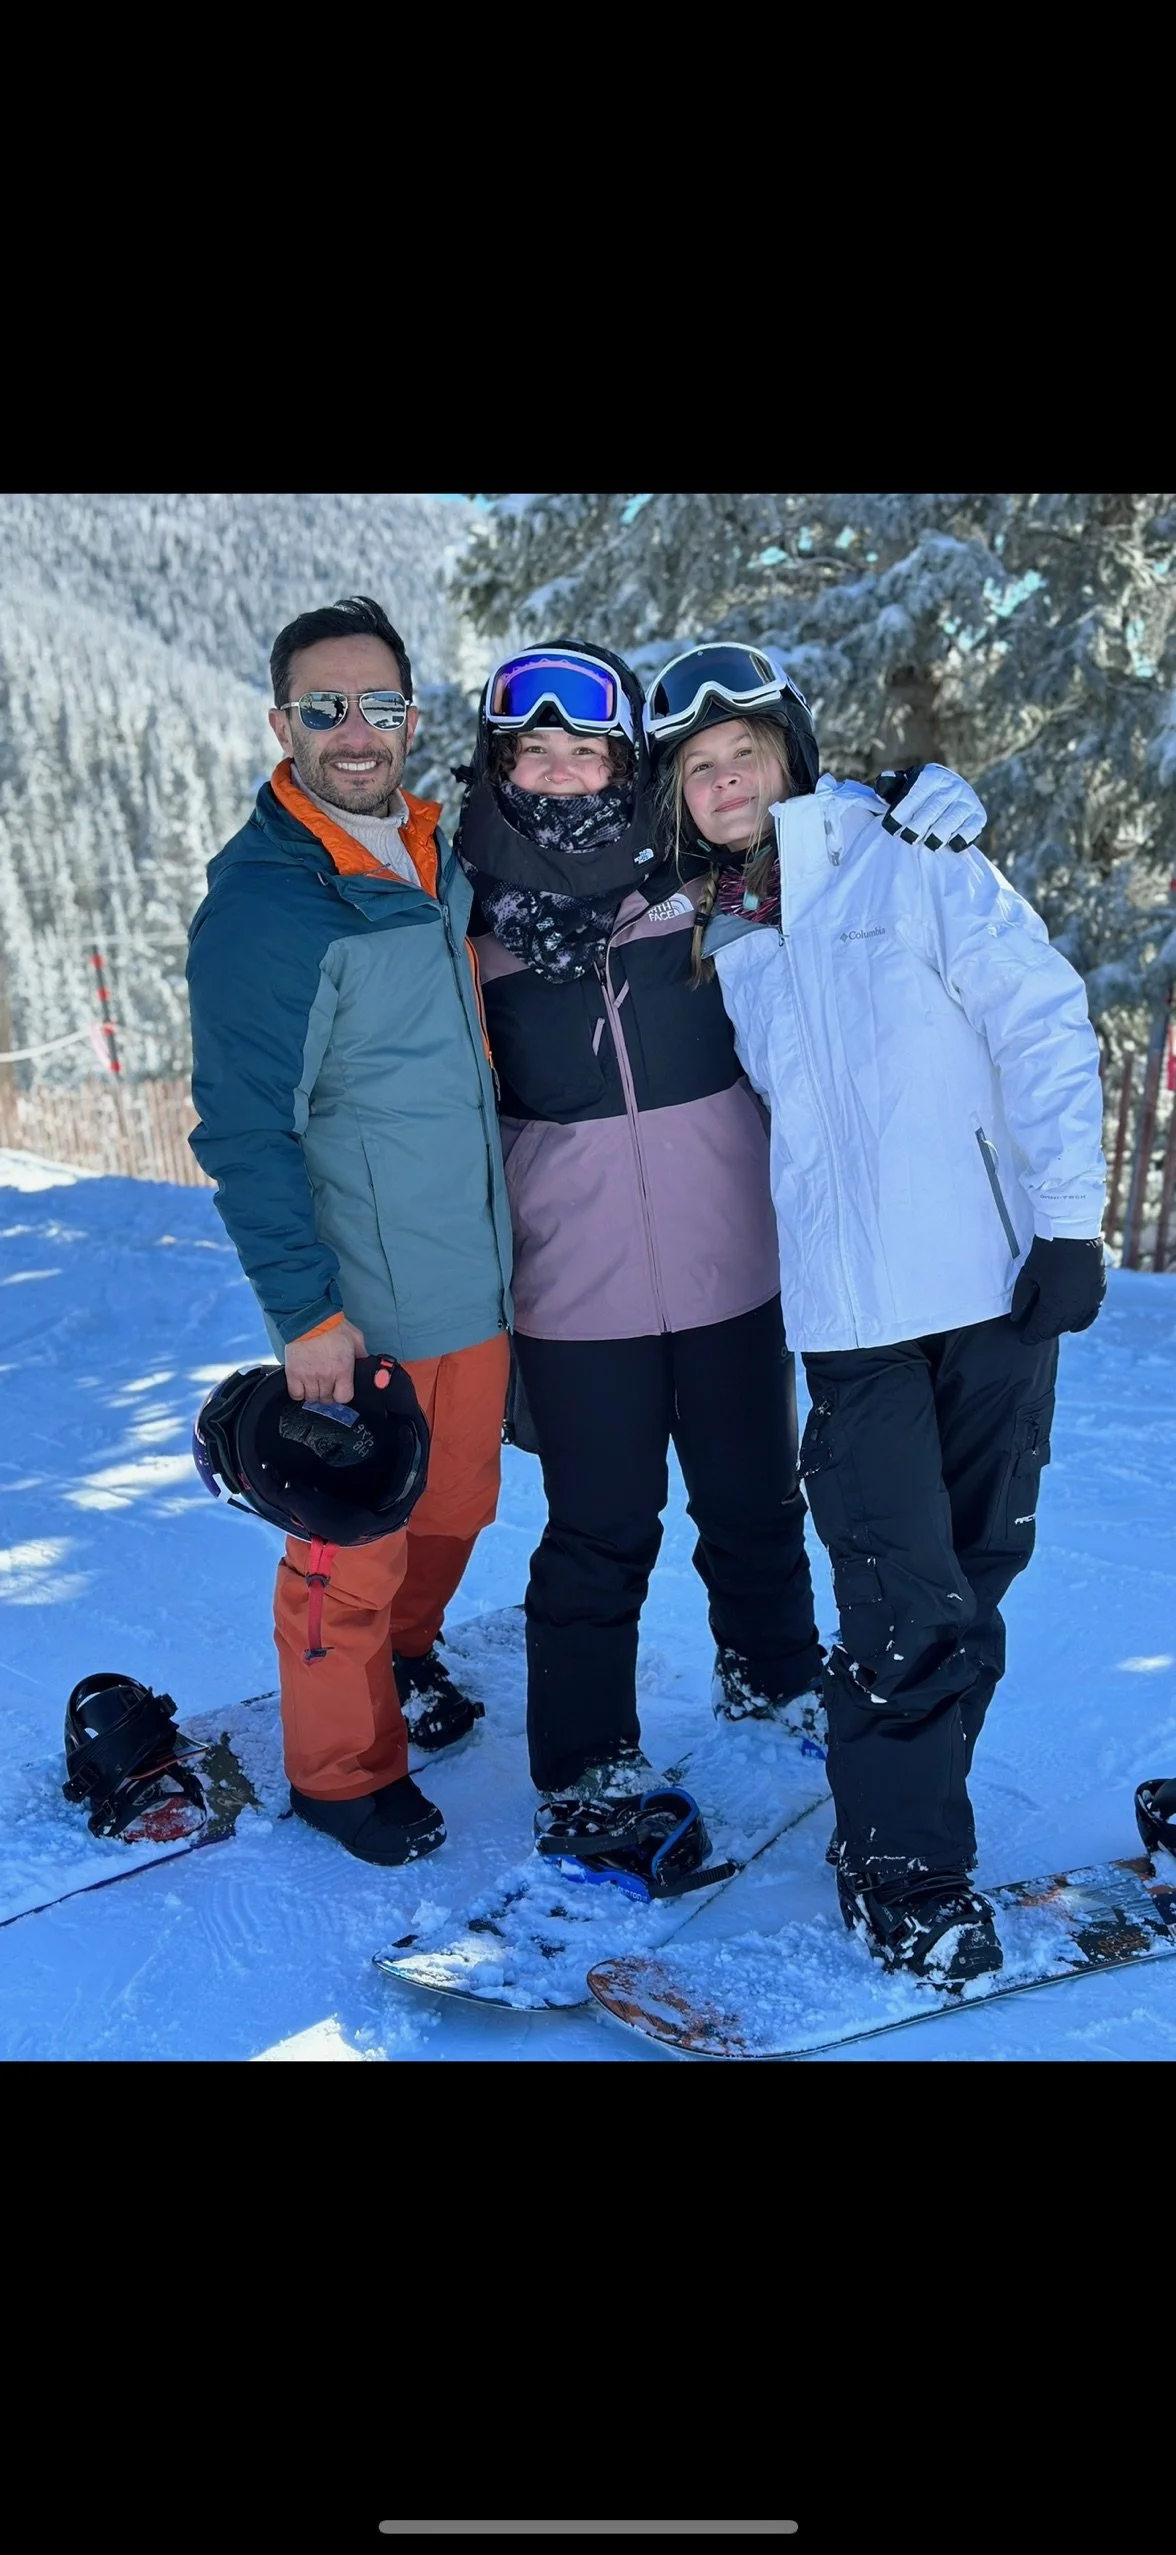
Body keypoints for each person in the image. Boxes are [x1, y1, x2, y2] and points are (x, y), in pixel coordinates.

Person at [644, 640, 1108, 1984]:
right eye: (700, 770)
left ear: (790, 752)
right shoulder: (724, 940)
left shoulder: (915, 853)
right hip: (854, 1325)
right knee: (904, 1601)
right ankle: (905, 1867)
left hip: (994, 1288)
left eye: (746, 755)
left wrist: (1070, 1225)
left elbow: (1044, 1023)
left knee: (973, 1583)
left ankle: (906, 1810)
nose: (727, 783)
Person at [455, 641, 982, 1806]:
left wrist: (903, 804)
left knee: (753, 1499)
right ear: (496, 767)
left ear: (621, 764)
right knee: (600, 1527)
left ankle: (777, 1674)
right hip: (572, 1282)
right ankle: (588, 1758)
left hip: (734, 1257)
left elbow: (828, 866)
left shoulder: (705, 886)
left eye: (583, 750)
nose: (556, 772)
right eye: (529, 751)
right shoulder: (464, 919)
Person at [186, 596, 513, 1866]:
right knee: (350, 1543)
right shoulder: (272, 903)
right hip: (366, 1302)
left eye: (377, 703)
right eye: (324, 706)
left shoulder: (429, 852)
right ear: (284, 724)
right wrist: (307, 1317)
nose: (355, 729)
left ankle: (408, 1659)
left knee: (459, 1508)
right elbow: (244, 1133)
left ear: (410, 717)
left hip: (472, 1274)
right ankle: (339, 1771)